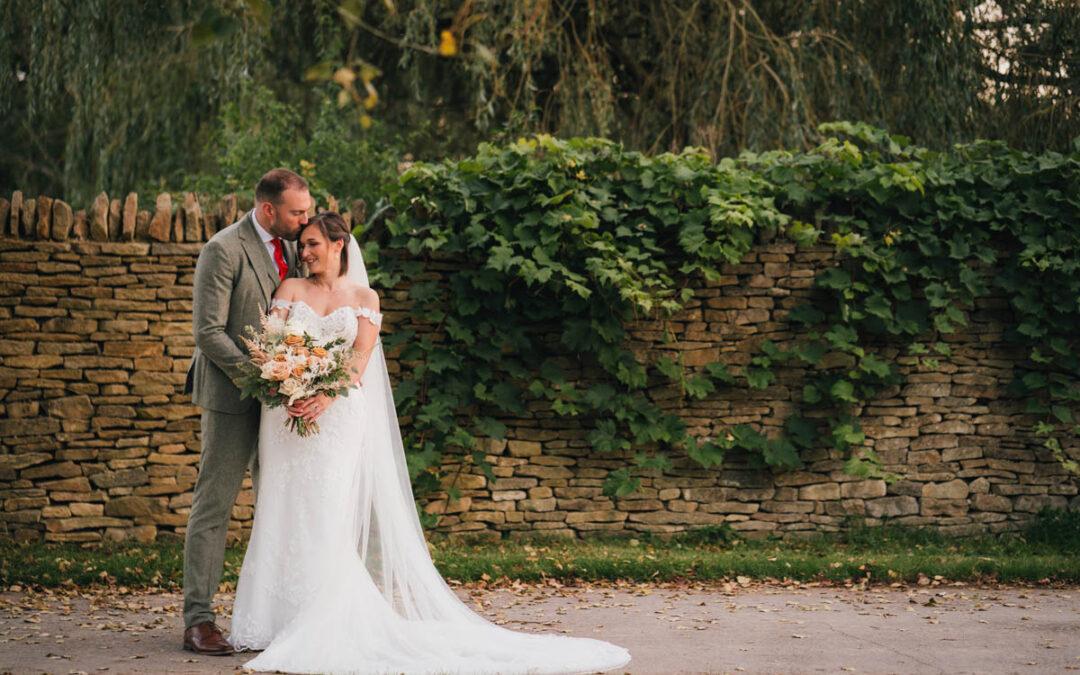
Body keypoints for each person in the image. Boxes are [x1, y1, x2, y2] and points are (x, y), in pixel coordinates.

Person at [228, 211, 632, 674]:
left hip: (337, 416)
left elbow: (358, 363)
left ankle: (322, 617)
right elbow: (272, 346)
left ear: (339, 245)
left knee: (325, 509)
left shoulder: (364, 297)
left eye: (314, 243)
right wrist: (287, 386)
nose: (305, 252)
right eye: (303, 246)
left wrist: (322, 396)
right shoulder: (289, 290)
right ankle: (271, 617)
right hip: (284, 416)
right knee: (281, 502)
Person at [182, 168, 311, 655]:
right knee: (214, 506)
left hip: (286, 402)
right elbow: (208, 332)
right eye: (297, 212)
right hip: (233, 397)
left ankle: (276, 614)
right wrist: (263, 380)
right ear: (268, 210)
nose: (305, 220)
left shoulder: (301, 245)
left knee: (281, 504)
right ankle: (198, 620)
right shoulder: (223, 248)